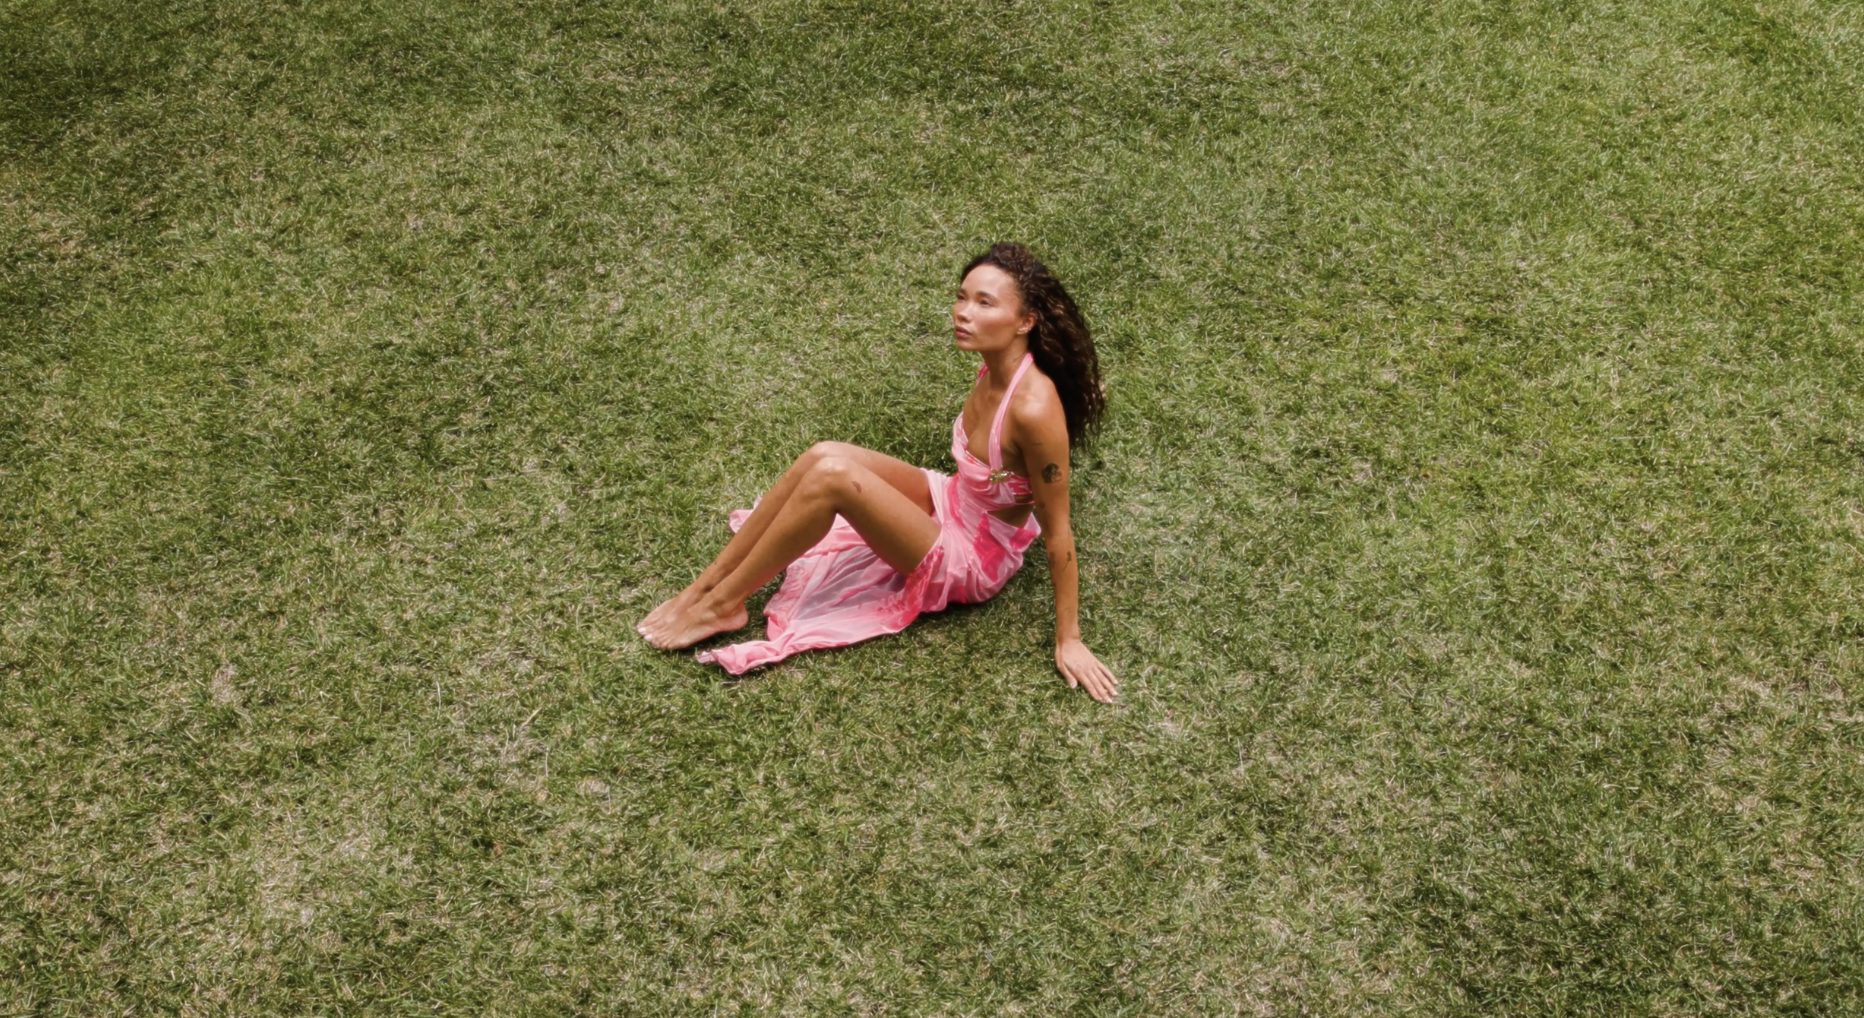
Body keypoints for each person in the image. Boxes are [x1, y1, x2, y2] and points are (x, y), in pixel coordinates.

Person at [637, 242, 1119, 702]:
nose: (962, 312)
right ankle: (706, 588)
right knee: (823, 454)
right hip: (950, 499)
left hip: (972, 556)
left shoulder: (1033, 409)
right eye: (961, 297)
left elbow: (1058, 531)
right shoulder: (992, 366)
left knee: (834, 480)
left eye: (983, 303)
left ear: (1024, 321)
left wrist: (1069, 639)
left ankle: (724, 605)